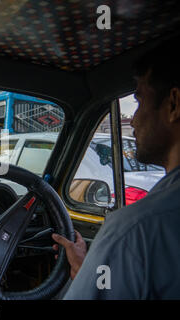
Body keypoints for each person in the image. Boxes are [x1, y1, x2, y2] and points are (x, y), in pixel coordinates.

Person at [52, 36, 180, 299]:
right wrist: (94, 270)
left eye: (140, 101)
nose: (132, 120)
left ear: (174, 104)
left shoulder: (136, 228)